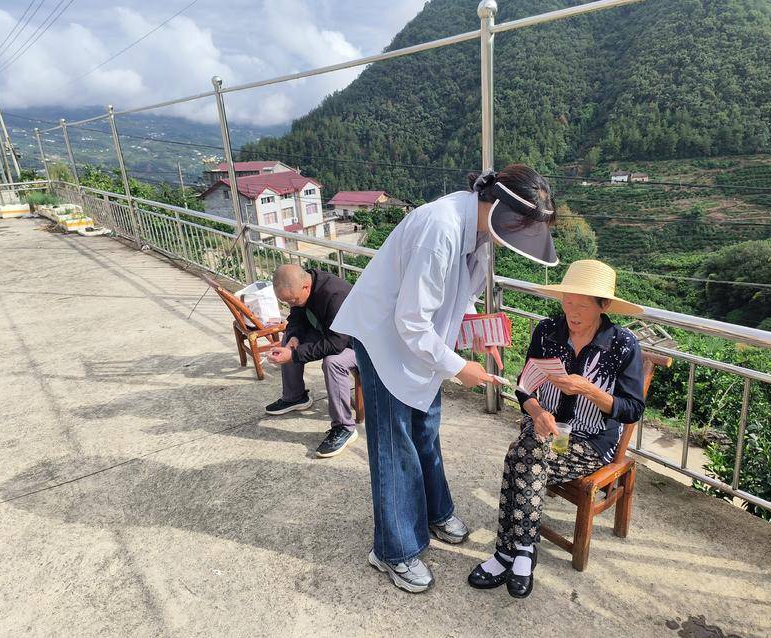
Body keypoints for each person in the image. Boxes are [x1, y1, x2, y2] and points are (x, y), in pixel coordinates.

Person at [332, 164, 560, 593]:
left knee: (425, 428)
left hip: (420, 342)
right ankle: (393, 551)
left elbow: (459, 295)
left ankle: (435, 512)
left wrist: (478, 333)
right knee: (395, 444)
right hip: (385, 338)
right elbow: (411, 320)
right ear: (497, 206)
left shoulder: (481, 231)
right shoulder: (440, 228)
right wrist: (458, 367)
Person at [467, 259, 646, 599]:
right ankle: (522, 551)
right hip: (543, 427)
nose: (572, 312)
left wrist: (590, 390)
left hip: (591, 440)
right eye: (567, 301)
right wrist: (536, 412)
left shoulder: (622, 345)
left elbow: (633, 409)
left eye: (582, 306)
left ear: (604, 306)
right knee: (529, 454)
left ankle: (509, 552)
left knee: (520, 458)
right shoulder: (548, 331)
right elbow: (524, 387)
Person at [264, 264, 359, 459]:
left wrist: (294, 355)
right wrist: (294, 336)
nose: (291, 304)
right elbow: (296, 317)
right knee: (288, 342)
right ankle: (295, 396)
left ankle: (344, 427)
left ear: (306, 287)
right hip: (329, 332)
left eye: (292, 300)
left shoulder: (335, 294)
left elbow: (336, 343)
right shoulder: (301, 287)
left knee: (333, 362)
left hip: (360, 345)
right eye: (285, 302)